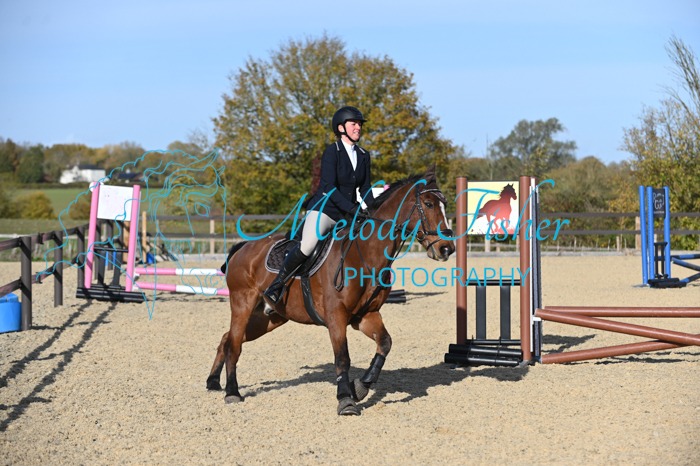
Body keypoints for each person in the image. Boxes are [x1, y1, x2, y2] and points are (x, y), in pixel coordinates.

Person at [263, 106, 376, 306]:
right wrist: (352, 209)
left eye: (359, 124)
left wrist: (373, 209)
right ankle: (277, 285)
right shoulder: (332, 152)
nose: (358, 127)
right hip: (326, 210)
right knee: (308, 245)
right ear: (341, 128)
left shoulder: (363, 155)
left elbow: (365, 187)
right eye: (354, 124)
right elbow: (329, 188)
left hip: (348, 213)